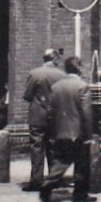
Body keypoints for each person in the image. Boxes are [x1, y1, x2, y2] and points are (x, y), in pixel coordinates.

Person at [40, 56, 95, 202]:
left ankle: (48, 183)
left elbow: (50, 111)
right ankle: (80, 194)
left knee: (62, 161)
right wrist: (89, 134)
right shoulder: (82, 86)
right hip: (77, 132)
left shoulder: (55, 87)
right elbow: (86, 113)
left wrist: (52, 130)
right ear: (78, 68)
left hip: (60, 131)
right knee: (82, 165)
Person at [21, 47, 64, 192]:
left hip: (38, 115)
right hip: (55, 116)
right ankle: (54, 180)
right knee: (54, 148)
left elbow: (27, 96)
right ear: (55, 59)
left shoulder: (35, 73)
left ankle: (36, 181)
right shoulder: (61, 75)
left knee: (37, 148)